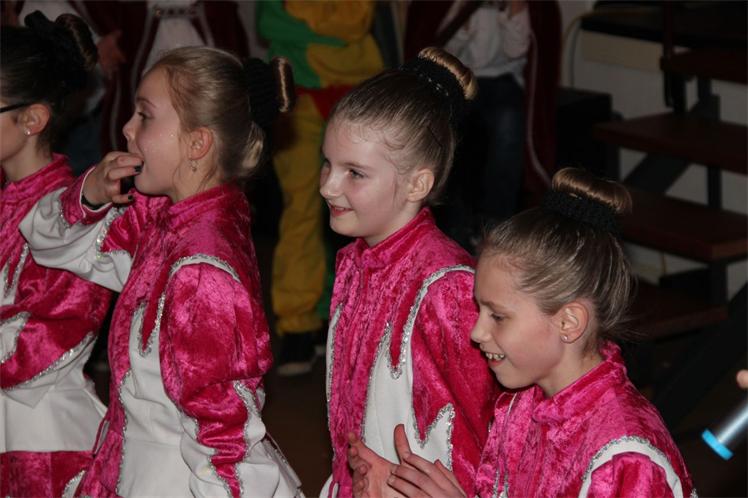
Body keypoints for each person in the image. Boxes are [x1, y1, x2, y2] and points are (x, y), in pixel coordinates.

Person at [20, 46, 302, 497]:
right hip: (130, 464)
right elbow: (48, 244)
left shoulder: (203, 268)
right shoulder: (159, 217)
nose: (127, 129)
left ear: (196, 144)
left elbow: (221, 437)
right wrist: (90, 196)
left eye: (145, 116)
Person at [351, 168, 695, 498]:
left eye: (498, 316)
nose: (477, 332)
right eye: (479, 309)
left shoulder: (625, 459)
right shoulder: (524, 401)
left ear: (568, 322)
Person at [318, 47, 498, 498]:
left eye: (354, 173)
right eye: (327, 163)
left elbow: (489, 429)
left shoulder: (448, 289)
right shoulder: (356, 260)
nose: (328, 186)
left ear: (418, 183)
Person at [0, 11, 113, 496]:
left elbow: (43, 343)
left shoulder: (71, 218)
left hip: (43, 446)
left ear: (32, 119)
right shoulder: (9, 200)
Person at [257, 0, 384, 376]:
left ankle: (339, 312)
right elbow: (271, 22)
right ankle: (298, 323)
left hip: (355, 95)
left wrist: (303, 18)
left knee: (359, 209)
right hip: (297, 99)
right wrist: (326, 22)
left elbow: (355, 21)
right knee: (302, 209)